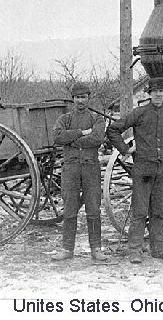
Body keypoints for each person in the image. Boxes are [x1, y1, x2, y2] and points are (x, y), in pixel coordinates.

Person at [106, 77, 163, 262]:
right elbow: (113, 130)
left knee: (158, 211)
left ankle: (158, 249)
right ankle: (135, 250)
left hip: (162, 169)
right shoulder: (139, 113)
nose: (158, 94)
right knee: (140, 211)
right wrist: (126, 149)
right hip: (143, 170)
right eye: (155, 91)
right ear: (149, 93)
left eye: (161, 91)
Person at [51, 82, 107, 261]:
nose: (80, 101)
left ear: (89, 98)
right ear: (73, 99)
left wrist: (73, 140)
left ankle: (96, 249)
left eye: (83, 97)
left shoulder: (97, 119)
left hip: (91, 167)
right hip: (71, 168)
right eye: (77, 97)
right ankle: (67, 249)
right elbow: (58, 137)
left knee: (93, 209)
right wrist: (81, 133)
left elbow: (97, 138)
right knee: (69, 209)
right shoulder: (64, 119)